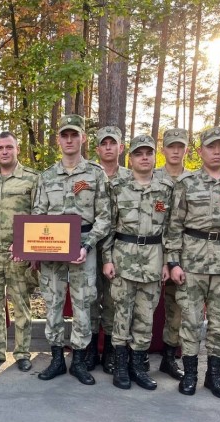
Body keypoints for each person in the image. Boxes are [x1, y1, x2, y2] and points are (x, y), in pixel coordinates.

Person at [167, 127, 220, 399]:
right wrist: (173, 262)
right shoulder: (187, 183)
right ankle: (190, 374)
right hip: (191, 262)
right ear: (201, 151)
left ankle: (214, 376)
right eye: (211, 146)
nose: (216, 151)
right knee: (190, 321)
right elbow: (175, 225)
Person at [32, 114, 110, 385]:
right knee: (52, 304)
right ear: (58, 140)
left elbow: (104, 216)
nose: (69, 140)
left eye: (73, 135)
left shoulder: (95, 174)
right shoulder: (46, 176)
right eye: (64, 135)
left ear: (82, 139)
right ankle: (55, 358)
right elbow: (38, 214)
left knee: (83, 305)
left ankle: (78, 360)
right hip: (52, 251)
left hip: (82, 249)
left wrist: (88, 246)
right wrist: (34, 249)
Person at [102, 135, 174, 390]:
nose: (144, 157)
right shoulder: (118, 187)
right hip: (124, 258)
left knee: (145, 317)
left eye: (149, 153)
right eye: (139, 153)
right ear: (130, 158)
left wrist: (168, 262)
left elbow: (170, 230)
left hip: (153, 260)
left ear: (155, 157)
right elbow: (109, 226)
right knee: (122, 313)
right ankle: (121, 366)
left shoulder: (166, 189)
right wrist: (107, 259)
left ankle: (138, 366)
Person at [0, 131, 39, 371]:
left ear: (17, 149)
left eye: (9, 147)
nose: (4, 152)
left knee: (21, 304)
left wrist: (28, 246)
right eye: (0, 148)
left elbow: (39, 214)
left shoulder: (31, 179)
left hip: (19, 253)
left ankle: (23, 352)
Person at [87, 126, 132, 373]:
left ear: (120, 147)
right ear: (97, 149)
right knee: (91, 299)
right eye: (103, 144)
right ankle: (92, 350)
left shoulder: (130, 177)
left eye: (112, 143)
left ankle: (112, 353)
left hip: (120, 250)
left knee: (115, 301)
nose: (108, 147)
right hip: (92, 246)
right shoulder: (88, 175)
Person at [154, 128, 190, 380]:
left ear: (186, 149)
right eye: (171, 146)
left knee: (177, 308)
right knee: (143, 306)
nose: (176, 151)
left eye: (180, 146)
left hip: (185, 254)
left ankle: (168, 357)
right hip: (152, 254)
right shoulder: (151, 178)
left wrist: (173, 258)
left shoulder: (195, 180)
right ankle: (135, 354)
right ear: (163, 149)